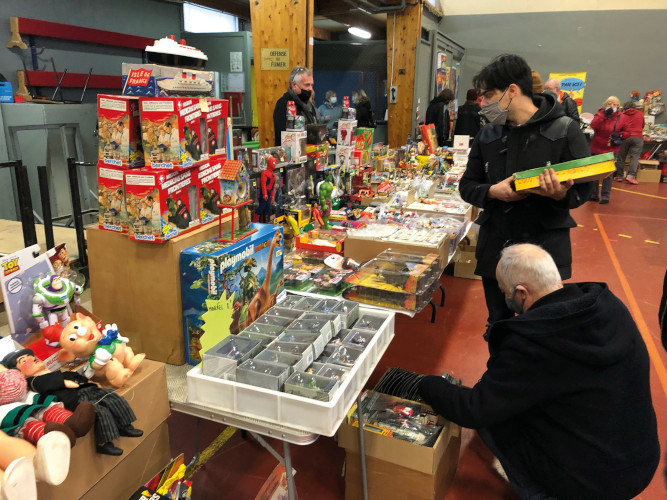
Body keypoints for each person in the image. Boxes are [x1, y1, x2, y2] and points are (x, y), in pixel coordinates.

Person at [419, 243, 660, 500]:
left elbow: (475, 409)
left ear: (521, 293)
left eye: (505, 292)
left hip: (591, 481)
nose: (505, 299)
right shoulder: (606, 305)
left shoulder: (533, 339)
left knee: (497, 420)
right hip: (640, 459)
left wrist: (427, 385)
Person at [458, 53, 592, 328]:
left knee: (544, 326)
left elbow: (584, 190)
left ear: (512, 91)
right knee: (498, 323)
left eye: (487, 95)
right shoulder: (488, 134)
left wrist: (559, 194)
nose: (482, 104)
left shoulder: (565, 131)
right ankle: (499, 370)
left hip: (544, 248)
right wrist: (493, 191)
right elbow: (467, 186)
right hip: (497, 244)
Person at [589, 96, 626, 203]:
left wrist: (620, 135)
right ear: (605, 104)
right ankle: (593, 194)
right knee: (594, 173)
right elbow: (593, 125)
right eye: (610, 103)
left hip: (611, 149)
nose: (612, 106)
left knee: (608, 175)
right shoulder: (599, 114)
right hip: (597, 147)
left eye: (615, 104)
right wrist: (603, 116)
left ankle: (605, 196)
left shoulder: (621, 117)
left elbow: (628, 132)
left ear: (618, 107)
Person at [273, 66, 320, 146]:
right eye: (307, 85)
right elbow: (285, 137)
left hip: (311, 154)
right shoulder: (283, 105)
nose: (310, 89)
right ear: (294, 85)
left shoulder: (310, 106)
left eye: (311, 85)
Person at [614, 101, 645, 184]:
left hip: (625, 138)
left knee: (621, 157)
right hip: (638, 138)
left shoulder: (622, 115)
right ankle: (631, 177)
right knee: (634, 157)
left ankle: (619, 176)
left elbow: (618, 127)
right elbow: (643, 125)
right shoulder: (640, 114)